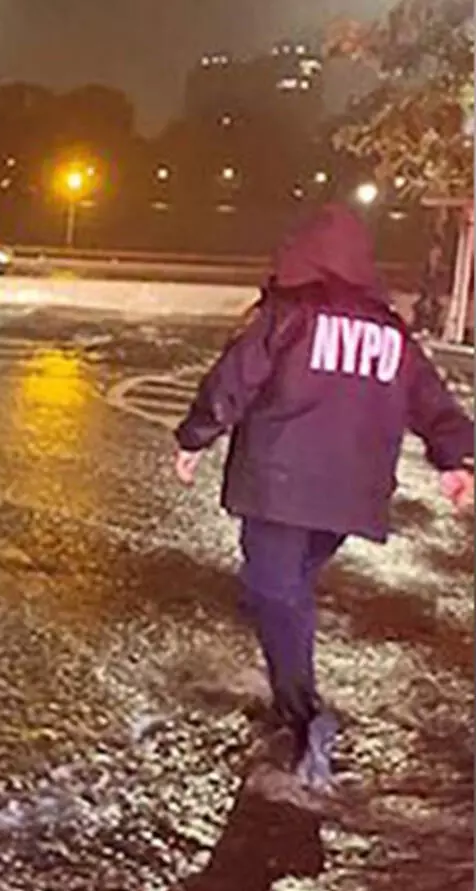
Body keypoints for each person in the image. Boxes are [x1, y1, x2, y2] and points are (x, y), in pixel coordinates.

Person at [173, 204, 475, 794]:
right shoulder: (392, 332)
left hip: (281, 482)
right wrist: (456, 460)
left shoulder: (288, 313)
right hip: (350, 496)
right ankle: (289, 683)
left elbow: (235, 378)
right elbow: (432, 402)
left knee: (271, 589)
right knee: (287, 588)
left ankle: (303, 713)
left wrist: (194, 438)